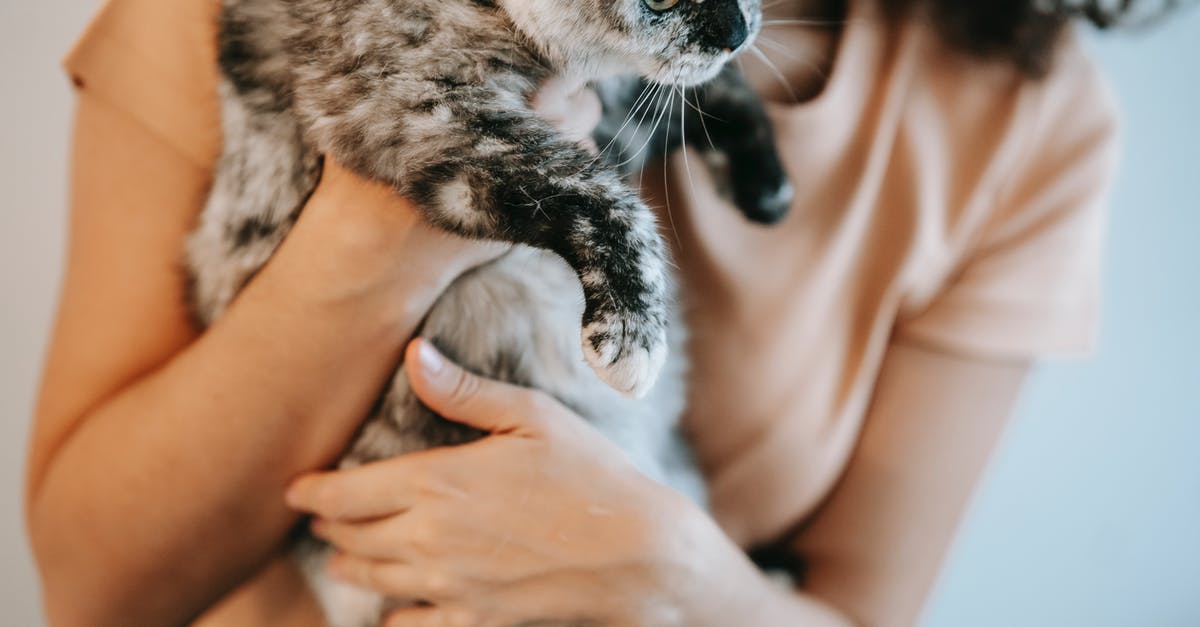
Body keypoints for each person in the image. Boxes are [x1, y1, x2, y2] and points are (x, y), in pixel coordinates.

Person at [26, 0, 1130, 625]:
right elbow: (94, 590)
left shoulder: (1033, 120)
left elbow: (862, 612)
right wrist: (381, 234)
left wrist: (666, 567)